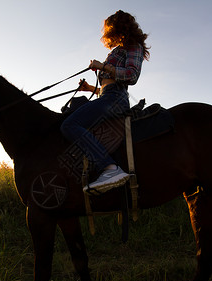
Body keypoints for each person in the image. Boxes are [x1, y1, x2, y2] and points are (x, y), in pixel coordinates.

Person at [61, 10, 150, 194]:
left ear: (120, 28)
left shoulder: (133, 46)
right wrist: (89, 89)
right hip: (108, 95)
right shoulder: (117, 50)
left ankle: (110, 168)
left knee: (70, 124)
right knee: (74, 107)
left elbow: (131, 76)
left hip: (116, 99)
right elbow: (108, 86)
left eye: (112, 30)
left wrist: (103, 66)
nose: (111, 36)